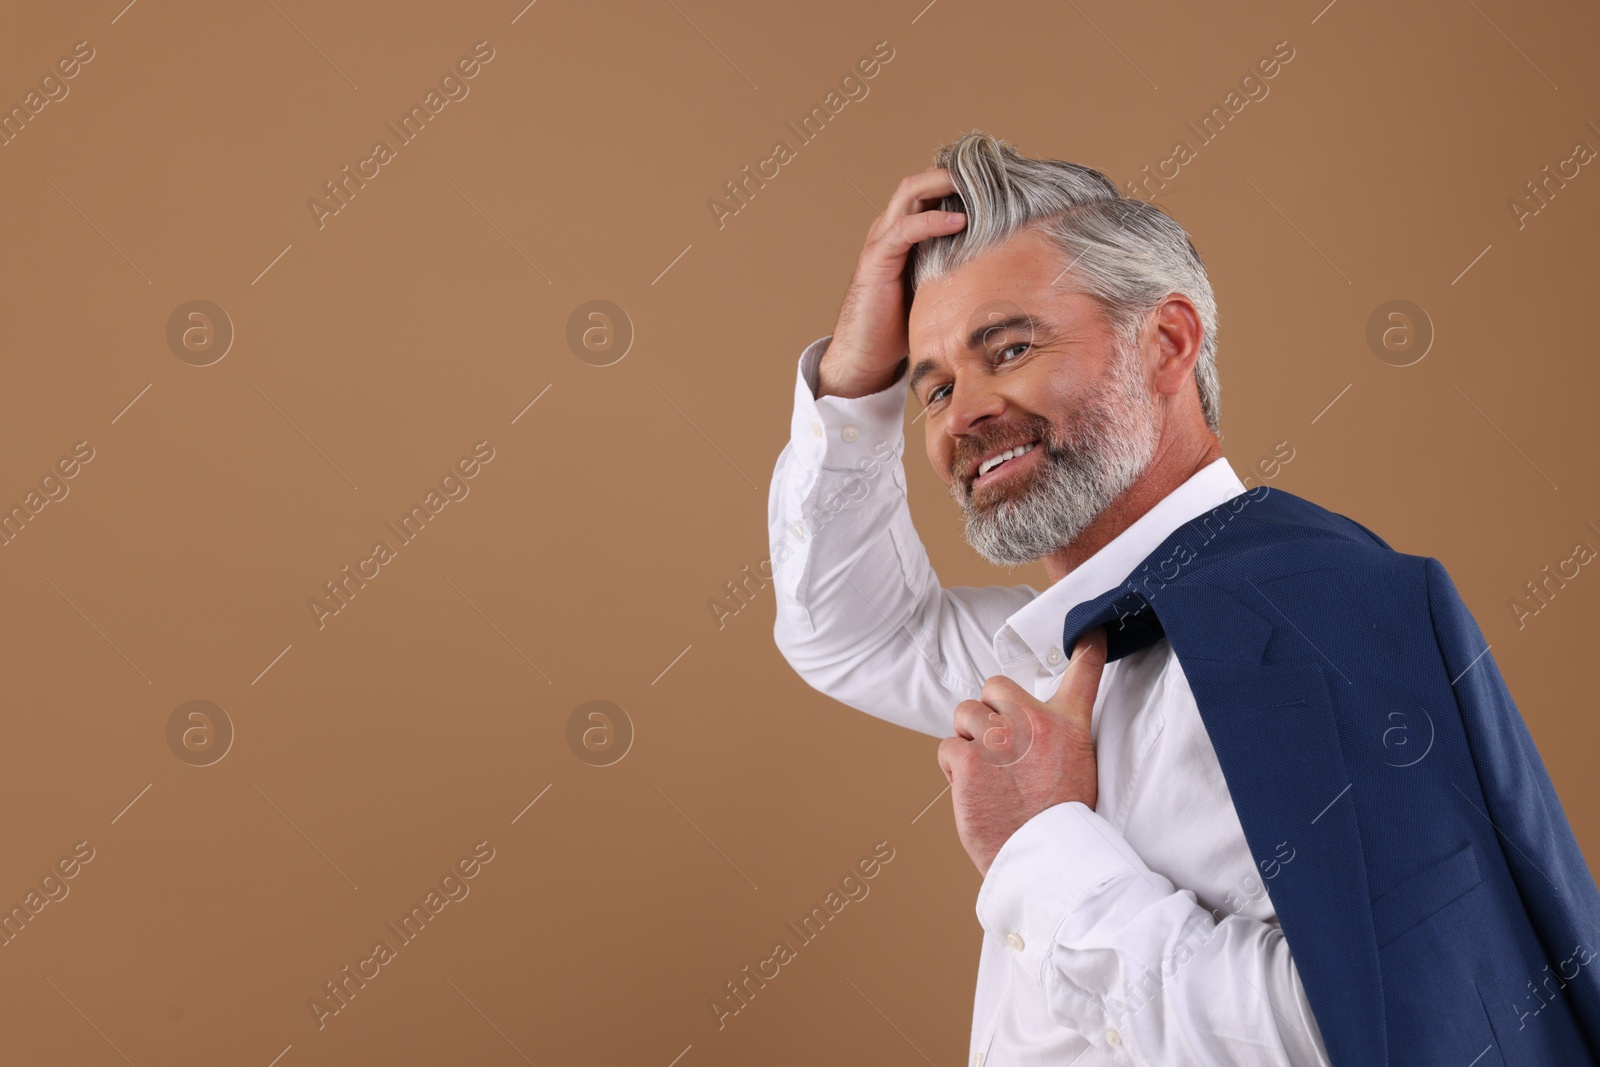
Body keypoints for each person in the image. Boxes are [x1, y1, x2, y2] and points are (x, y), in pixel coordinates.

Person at [766, 130, 1600, 1065]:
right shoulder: (1067, 642)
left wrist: (1044, 845)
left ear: (1165, 344)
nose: (962, 414)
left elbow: (1369, 1031)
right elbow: (846, 628)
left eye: (1009, 348)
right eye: (935, 388)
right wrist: (851, 379)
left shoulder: (1313, 622)